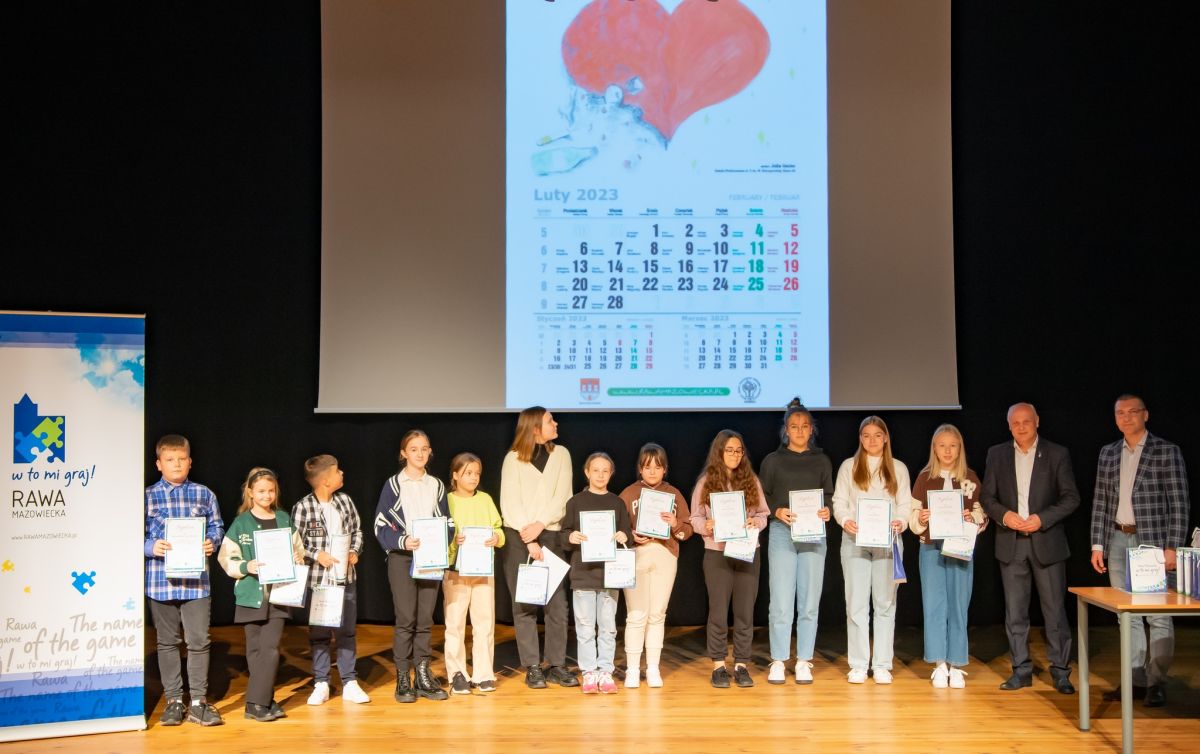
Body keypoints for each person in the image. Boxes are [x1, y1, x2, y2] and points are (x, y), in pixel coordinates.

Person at [1089, 394, 1190, 707]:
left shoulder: (1166, 451)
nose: (1126, 417)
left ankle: (1156, 682)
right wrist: (1097, 544)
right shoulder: (1108, 453)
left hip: (1153, 544)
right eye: (1120, 412)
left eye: (1133, 411)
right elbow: (1101, 501)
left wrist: (1172, 546)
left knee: (1158, 615)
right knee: (1127, 615)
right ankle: (1135, 680)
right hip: (1118, 539)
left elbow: (1179, 503)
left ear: (1145, 415)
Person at [981, 402, 1080, 694]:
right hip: (1011, 545)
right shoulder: (997, 454)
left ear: (1037, 421)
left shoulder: (1057, 453)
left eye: (1026, 421)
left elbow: (1071, 497)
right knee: (1015, 613)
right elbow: (987, 497)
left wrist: (1042, 519)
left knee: (1055, 612)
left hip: (1046, 543)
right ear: (1008, 426)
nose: (1021, 427)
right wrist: (1004, 516)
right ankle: (1021, 670)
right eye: (1016, 422)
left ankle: (1061, 672)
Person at [143, 434, 225, 727]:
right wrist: (150, 547)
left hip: (196, 583)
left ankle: (199, 702)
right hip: (159, 582)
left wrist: (212, 541)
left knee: (199, 641)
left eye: (181, 459)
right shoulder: (146, 496)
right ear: (158, 464)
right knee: (167, 642)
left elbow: (217, 526)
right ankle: (174, 700)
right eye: (169, 459)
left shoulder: (204, 494)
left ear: (190, 462)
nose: (176, 464)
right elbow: (132, 534)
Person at [499, 407, 579, 689]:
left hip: (552, 535)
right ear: (534, 428)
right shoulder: (513, 459)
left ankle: (556, 664)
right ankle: (532, 666)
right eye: (549, 420)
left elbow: (564, 497)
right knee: (524, 603)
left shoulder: (562, 455)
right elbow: (510, 502)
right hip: (519, 537)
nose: (555, 423)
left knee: (557, 604)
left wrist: (541, 524)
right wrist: (530, 538)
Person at [217, 467, 305, 722]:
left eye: (271, 490)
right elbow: (226, 557)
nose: (267, 495)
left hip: (279, 594)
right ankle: (265, 700)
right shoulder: (241, 523)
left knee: (270, 649)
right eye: (261, 491)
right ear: (250, 493)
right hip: (250, 594)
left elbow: (298, 550)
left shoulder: (283, 519)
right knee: (255, 651)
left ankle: (256, 703)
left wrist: (297, 558)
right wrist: (247, 566)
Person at [831, 415, 912, 684]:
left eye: (877, 435)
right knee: (856, 604)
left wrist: (900, 521)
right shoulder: (849, 466)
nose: (872, 440)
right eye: (866, 435)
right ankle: (857, 664)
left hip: (887, 543)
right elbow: (839, 501)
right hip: (855, 542)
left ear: (886, 438)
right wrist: (845, 520)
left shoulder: (898, 468)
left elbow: (905, 504)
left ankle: (881, 665)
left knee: (885, 604)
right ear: (860, 439)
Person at [374, 430, 451, 703]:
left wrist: (442, 540)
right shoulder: (393, 485)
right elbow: (380, 525)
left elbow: (448, 522)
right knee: (406, 619)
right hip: (402, 558)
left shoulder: (437, 485)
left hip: (430, 558)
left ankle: (423, 675)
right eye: (414, 449)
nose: (420, 453)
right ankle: (403, 677)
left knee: (425, 620)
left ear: (430, 452)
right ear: (403, 453)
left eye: (424, 448)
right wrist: (403, 541)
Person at [689, 430, 770, 689]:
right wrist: (706, 526)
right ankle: (718, 666)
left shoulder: (751, 480)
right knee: (718, 611)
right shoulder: (706, 482)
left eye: (739, 450)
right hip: (717, 553)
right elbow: (695, 518)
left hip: (746, 552)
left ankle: (742, 665)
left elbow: (763, 514)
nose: (735, 455)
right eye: (730, 450)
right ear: (719, 452)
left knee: (745, 611)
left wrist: (755, 522)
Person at [761, 398, 834, 686]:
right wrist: (776, 511)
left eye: (805, 426)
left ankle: (804, 660)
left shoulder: (822, 460)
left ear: (811, 429)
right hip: (782, 531)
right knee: (780, 601)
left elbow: (828, 496)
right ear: (786, 430)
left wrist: (827, 510)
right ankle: (779, 659)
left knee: (809, 601)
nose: (800, 431)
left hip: (813, 534)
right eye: (794, 426)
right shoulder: (772, 461)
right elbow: (762, 497)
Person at [908, 424, 987, 689]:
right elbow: (912, 517)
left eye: (952, 445)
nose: (948, 451)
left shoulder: (970, 478)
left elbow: (982, 514)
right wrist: (921, 518)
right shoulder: (924, 478)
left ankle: (956, 664)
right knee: (934, 605)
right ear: (934, 448)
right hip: (931, 548)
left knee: (958, 605)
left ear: (959, 448)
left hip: (960, 548)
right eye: (942, 445)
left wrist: (972, 517)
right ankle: (939, 663)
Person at [292, 454, 369, 705]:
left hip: (345, 578)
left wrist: (354, 551)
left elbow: (357, 531)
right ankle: (321, 682)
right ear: (325, 480)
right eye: (337, 471)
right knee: (320, 632)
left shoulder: (345, 501)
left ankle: (349, 681)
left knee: (346, 631)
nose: (342, 473)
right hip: (319, 582)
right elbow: (295, 544)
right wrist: (317, 555)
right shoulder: (303, 507)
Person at [617, 442, 693, 689]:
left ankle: (652, 668)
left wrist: (675, 524)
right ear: (640, 468)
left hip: (664, 555)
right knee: (636, 614)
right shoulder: (628, 494)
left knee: (657, 614)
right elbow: (616, 528)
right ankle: (632, 669)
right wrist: (630, 535)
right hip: (637, 555)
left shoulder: (674, 494)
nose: (652, 472)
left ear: (665, 469)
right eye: (647, 467)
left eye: (657, 467)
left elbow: (687, 530)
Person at [563, 453, 633, 694]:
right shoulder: (575, 502)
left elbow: (627, 534)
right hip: (583, 575)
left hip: (609, 575)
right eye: (596, 470)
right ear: (587, 472)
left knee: (607, 628)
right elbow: (564, 535)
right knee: (584, 628)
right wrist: (571, 537)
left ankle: (605, 671)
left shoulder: (617, 503)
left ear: (611, 474)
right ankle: (589, 672)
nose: (600, 475)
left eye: (605, 471)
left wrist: (624, 536)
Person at [444, 452, 505, 695]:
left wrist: (496, 538)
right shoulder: (447, 500)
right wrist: (453, 540)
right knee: (455, 623)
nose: (473, 477)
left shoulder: (485, 499)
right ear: (455, 475)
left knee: (484, 622)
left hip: (482, 570)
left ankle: (484, 673)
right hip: (456, 570)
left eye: (477, 473)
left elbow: (499, 529)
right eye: (468, 473)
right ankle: (457, 673)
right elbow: (441, 533)